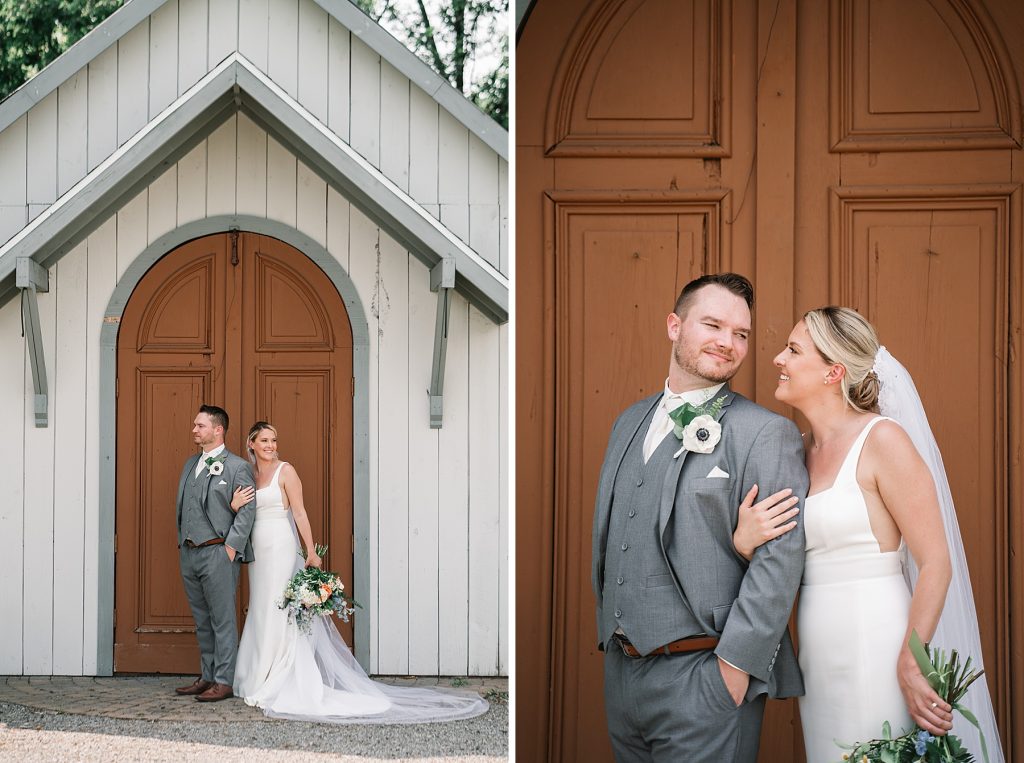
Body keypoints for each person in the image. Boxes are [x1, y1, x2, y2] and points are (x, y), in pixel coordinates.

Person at [734, 306, 1002, 762]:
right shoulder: (796, 451)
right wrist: (744, 542)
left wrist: (911, 659)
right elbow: (780, 557)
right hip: (817, 657)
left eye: (794, 350)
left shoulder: (883, 440)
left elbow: (936, 561)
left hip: (879, 644)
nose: (778, 358)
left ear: (833, 372)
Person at [591, 273, 809, 762]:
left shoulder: (765, 433)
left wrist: (733, 671)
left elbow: (780, 562)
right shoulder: (628, 422)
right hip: (623, 680)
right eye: (713, 325)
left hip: (705, 680)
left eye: (741, 334)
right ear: (674, 326)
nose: (728, 343)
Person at [228, 421, 488, 723]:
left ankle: (280, 677)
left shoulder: (286, 471)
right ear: (251, 443)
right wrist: (235, 506)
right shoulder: (249, 474)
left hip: (281, 547)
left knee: (278, 608)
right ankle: (256, 675)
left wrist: (311, 551)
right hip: (257, 552)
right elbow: (244, 511)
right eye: (264, 441)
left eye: (274, 440)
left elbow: (299, 512)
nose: (270, 446)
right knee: (261, 608)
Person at [174, 404, 258, 702]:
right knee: (202, 620)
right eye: (195, 425)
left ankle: (224, 680)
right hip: (190, 553)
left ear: (218, 429)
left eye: (200, 425)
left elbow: (247, 512)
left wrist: (231, 549)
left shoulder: (237, 467)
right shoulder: (189, 464)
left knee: (222, 620)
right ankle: (207, 675)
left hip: (218, 554)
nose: (194, 430)